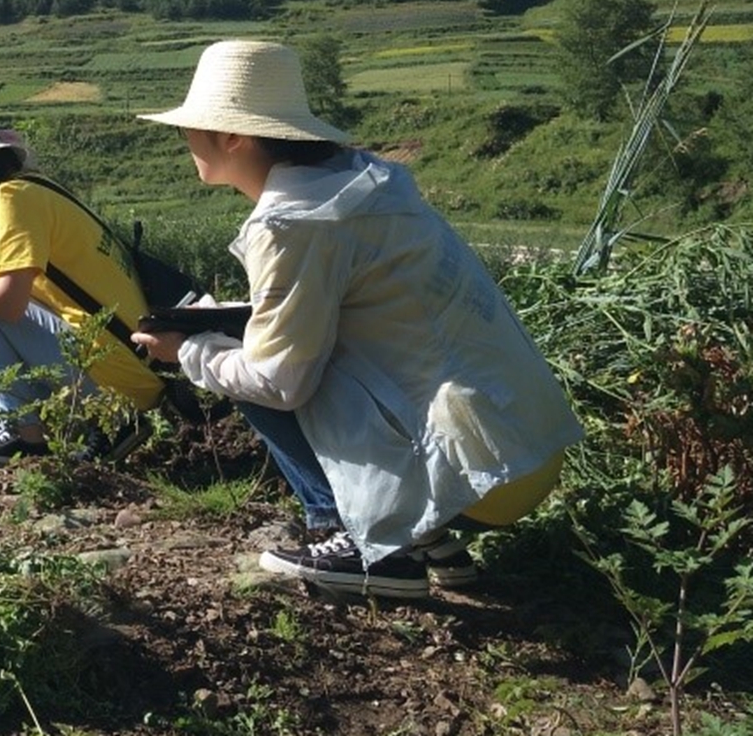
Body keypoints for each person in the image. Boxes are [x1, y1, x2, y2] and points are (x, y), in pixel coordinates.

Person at [135, 39, 583, 599]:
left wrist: (188, 351)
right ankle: (427, 534)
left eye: (191, 128)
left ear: (232, 136)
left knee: (245, 363)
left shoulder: (294, 224)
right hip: (522, 446)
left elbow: (281, 381)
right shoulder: (365, 182)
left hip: (478, 474)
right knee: (256, 341)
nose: (184, 141)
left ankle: (363, 543)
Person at [0, 99, 167, 463]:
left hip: (116, 376)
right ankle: (79, 425)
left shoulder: (14, 198)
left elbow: (6, 305)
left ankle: (26, 433)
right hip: (132, 370)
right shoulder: (35, 188)